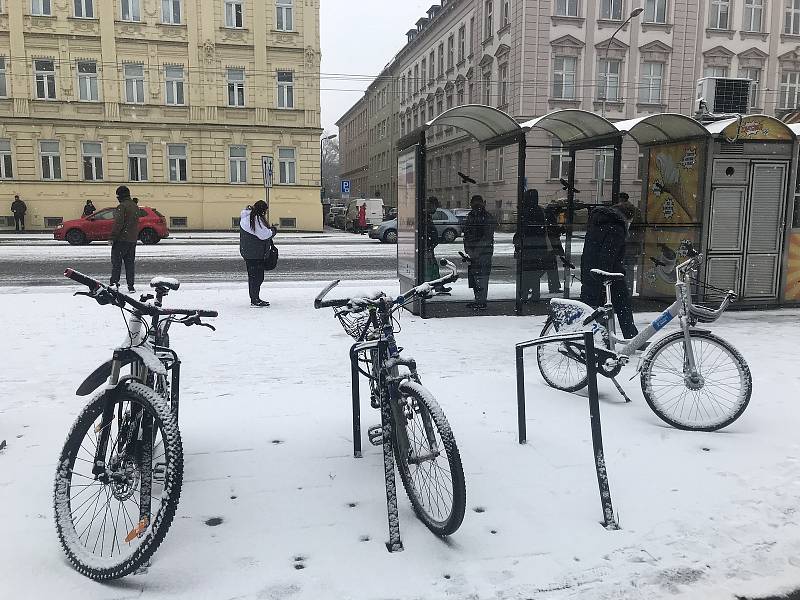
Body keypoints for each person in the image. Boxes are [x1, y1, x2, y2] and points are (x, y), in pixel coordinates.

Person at [580, 200, 640, 339]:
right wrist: (608, 277)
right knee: (621, 304)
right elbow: (608, 255)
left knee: (590, 309)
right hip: (607, 274)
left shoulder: (599, 221)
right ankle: (628, 337)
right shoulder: (616, 227)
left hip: (590, 270)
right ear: (627, 217)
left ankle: (597, 338)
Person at [514, 190, 559, 303]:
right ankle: (535, 294)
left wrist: (518, 240)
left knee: (525, 272)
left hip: (528, 246)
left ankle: (524, 294)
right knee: (534, 272)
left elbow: (523, 229)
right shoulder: (540, 211)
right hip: (538, 246)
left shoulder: (525, 211)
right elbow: (541, 230)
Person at [239, 200, 277, 308]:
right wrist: (274, 230)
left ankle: (255, 298)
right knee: (257, 277)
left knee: (253, 277)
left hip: (249, 252)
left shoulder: (248, 217)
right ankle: (255, 300)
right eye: (265, 211)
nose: (265, 213)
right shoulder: (255, 219)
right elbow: (264, 235)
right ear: (262, 210)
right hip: (255, 254)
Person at [463, 194, 496, 311]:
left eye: (478, 203)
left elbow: (487, 237)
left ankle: (481, 301)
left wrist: (474, 251)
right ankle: (478, 300)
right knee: (475, 277)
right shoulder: (471, 216)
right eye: (474, 203)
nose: (476, 206)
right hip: (476, 252)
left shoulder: (486, 217)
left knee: (481, 277)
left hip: (483, 253)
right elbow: (466, 235)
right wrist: (469, 251)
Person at [110, 186, 140, 293]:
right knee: (130, 264)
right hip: (132, 240)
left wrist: (113, 237)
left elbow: (118, 224)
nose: (117, 197)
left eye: (117, 195)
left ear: (120, 195)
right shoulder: (135, 206)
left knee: (116, 264)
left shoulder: (122, 207)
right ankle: (131, 286)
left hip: (121, 239)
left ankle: (114, 285)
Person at [614, 192, 644, 295]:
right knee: (629, 269)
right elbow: (640, 230)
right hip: (632, 244)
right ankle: (628, 291)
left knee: (617, 268)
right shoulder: (636, 211)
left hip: (619, 244)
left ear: (620, 199)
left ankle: (619, 292)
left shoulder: (615, 210)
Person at [422, 197, 451, 294]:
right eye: (434, 206)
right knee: (430, 268)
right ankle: (432, 286)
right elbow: (426, 232)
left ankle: (437, 286)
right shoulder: (424, 216)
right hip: (426, 247)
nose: (435, 209)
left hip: (428, 246)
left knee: (432, 267)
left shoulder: (426, 216)